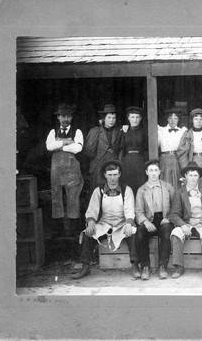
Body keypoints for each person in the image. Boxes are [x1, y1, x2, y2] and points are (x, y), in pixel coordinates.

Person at [71, 160, 137, 279]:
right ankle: (85, 266)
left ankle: (135, 265)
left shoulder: (126, 190)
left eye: (115, 174)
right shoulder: (98, 191)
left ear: (119, 174)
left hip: (121, 223)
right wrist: (91, 223)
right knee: (87, 234)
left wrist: (128, 223)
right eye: (110, 175)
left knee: (132, 232)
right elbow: (92, 210)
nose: (112, 178)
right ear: (105, 175)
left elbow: (129, 209)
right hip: (105, 223)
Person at [168, 161, 202, 279]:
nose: (193, 178)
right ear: (185, 176)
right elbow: (173, 214)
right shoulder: (180, 192)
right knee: (175, 233)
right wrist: (183, 225)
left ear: (199, 177)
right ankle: (179, 267)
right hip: (187, 223)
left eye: (195, 175)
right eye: (190, 175)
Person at [45, 103, 84, 236]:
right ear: (58, 118)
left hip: (72, 171)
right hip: (56, 171)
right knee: (56, 198)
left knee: (73, 198)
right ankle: (59, 232)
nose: (65, 119)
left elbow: (78, 148)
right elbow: (49, 146)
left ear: (71, 117)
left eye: (68, 116)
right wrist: (66, 143)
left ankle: (73, 233)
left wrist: (60, 147)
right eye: (63, 116)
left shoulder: (77, 131)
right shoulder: (52, 132)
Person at [135, 159, 175, 280]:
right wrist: (146, 222)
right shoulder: (142, 190)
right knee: (140, 232)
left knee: (167, 231)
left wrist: (168, 218)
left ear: (160, 172)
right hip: (149, 220)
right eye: (151, 170)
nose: (153, 173)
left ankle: (162, 266)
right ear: (146, 172)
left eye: (156, 170)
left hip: (164, 219)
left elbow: (175, 207)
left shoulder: (168, 187)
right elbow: (138, 211)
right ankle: (145, 267)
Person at [85, 104, 123, 193]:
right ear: (104, 118)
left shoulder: (118, 132)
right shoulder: (95, 131)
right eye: (109, 117)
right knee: (97, 192)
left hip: (113, 166)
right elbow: (89, 151)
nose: (111, 120)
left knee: (112, 191)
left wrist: (119, 163)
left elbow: (121, 149)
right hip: (99, 167)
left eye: (114, 118)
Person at [176, 108, 202, 184]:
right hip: (192, 160)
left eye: (201, 119)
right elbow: (182, 154)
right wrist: (185, 169)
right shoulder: (187, 134)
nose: (199, 122)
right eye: (196, 119)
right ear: (192, 120)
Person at [120, 106, 148, 193]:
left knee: (140, 186)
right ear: (128, 118)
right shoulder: (124, 131)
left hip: (140, 162)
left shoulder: (144, 132)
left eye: (137, 117)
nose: (135, 120)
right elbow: (121, 149)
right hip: (126, 162)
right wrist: (120, 163)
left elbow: (146, 149)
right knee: (127, 186)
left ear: (141, 118)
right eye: (132, 117)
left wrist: (145, 162)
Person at [158, 107, 187, 190]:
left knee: (177, 182)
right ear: (167, 119)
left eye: (175, 118)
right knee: (165, 183)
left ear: (178, 120)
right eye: (170, 118)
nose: (173, 120)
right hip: (164, 159)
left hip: (176, 159)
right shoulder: (161, 130)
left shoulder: (182, 131)